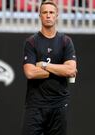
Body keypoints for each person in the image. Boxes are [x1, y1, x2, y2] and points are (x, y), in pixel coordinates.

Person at [22, 0, 77, 135]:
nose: (48, 15)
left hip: (58, 104)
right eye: (45, 12)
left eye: (51, 12)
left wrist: (44, 65)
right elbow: (30, 73)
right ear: (40, 16)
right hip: (35, 105)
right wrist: (59, 70)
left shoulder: (65, 41)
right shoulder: (31, 42)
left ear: (56, 15)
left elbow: (70, 70)